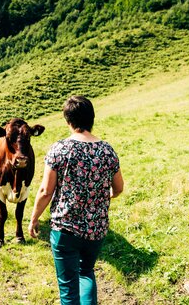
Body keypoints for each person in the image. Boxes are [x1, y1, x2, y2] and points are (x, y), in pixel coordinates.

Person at [28, 95, 124, 305]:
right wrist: (105, 196)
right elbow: (118, 188)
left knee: (69, 289)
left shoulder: (59, 149)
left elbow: (45, 191)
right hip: (96, 229)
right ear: (92, 118)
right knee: (86, 273)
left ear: (68, 121)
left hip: (65, 229)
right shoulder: (107, 151)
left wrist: (34, 218)